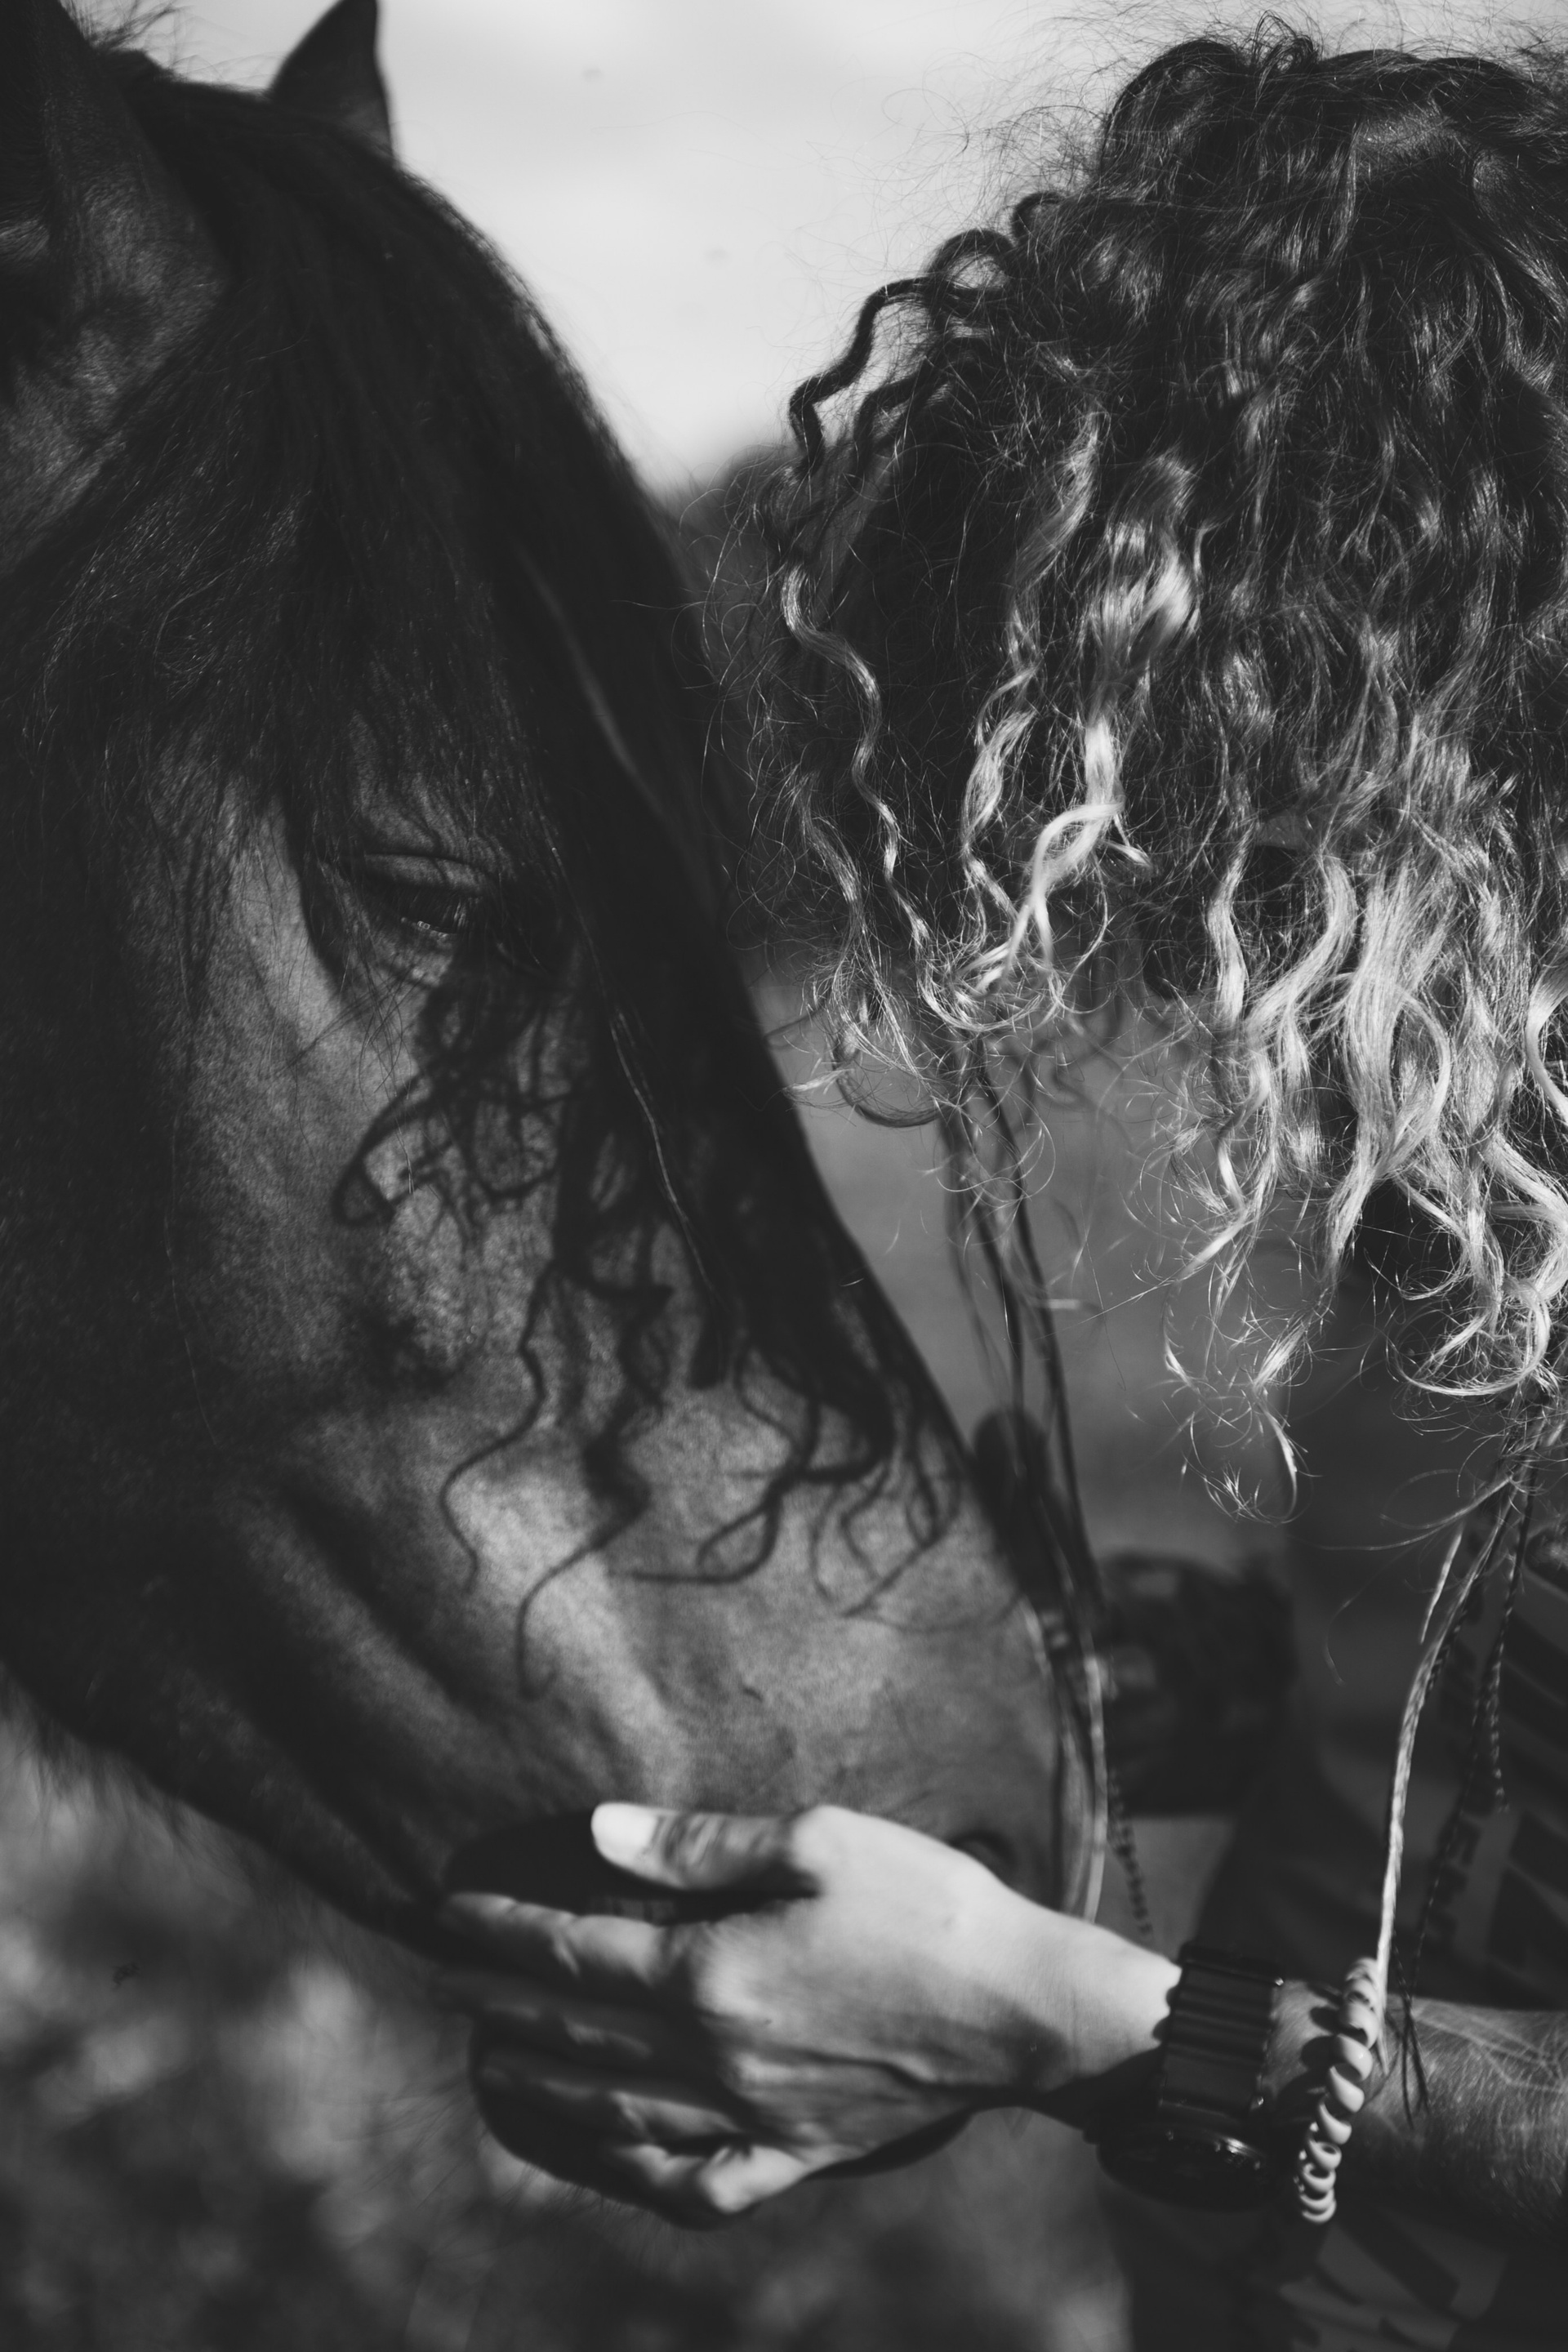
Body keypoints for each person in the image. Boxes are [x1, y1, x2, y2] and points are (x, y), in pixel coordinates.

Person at [436, 30, 1568, 2348]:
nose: (1214, 964)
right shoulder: (1473, 1187)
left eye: (1261, 839)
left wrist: (1067, 2024)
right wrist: (1187, 1695)